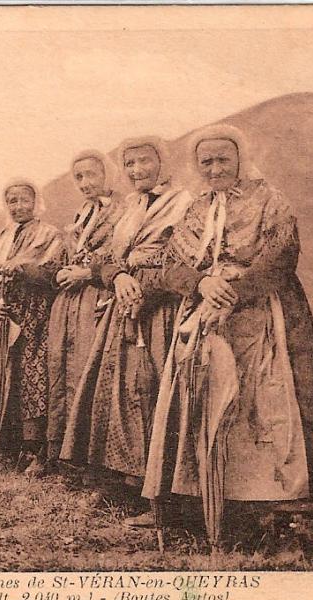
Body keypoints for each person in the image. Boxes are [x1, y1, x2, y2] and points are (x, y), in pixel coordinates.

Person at [141, 124, 313, 545]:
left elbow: (281, 257)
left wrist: (234, 291)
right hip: (204, 316)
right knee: (203, 400)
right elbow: (169, 263)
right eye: (206, 162)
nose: (215, 169)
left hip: (260, 315)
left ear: (239, 159)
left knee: (262, 401)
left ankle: (266, 508)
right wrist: (200, 284)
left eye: (223, 160)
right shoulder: (194, 210)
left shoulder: (269, 200)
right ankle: (204, 502)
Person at [58, 137, 192, 523]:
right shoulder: (130, 206)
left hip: (161, 310)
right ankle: (124, 484)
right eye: (129, 164)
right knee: (117, 392)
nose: (137, 171)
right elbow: (109, 259)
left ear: (162, 162)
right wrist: (116, 277)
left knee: (151, 393)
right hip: (123, 304)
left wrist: (140, 287)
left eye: (144, 162)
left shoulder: (183, 204)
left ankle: (161, 497)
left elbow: (181, 259)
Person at [0, 179, 64, 471]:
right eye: (12, 201)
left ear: (36, 202)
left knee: (30, 377)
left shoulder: (50, 236)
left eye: (24, 200)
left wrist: (22, 269)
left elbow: (51, 274)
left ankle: (34, 451)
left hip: (33, 316)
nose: (19, 207)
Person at [44, 150, 120, 476]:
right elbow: (69, 253)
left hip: (99, 297)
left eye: (91, 174)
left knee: (91, 372)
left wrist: (87, 274)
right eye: (79, 177)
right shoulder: (81, 213)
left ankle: (93, 460)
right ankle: (63, 454)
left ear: (107, 173)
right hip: (70, 302)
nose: (86, 183)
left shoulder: (123, 210)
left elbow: (118, 255)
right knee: (64, 370)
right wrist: (62, 272)